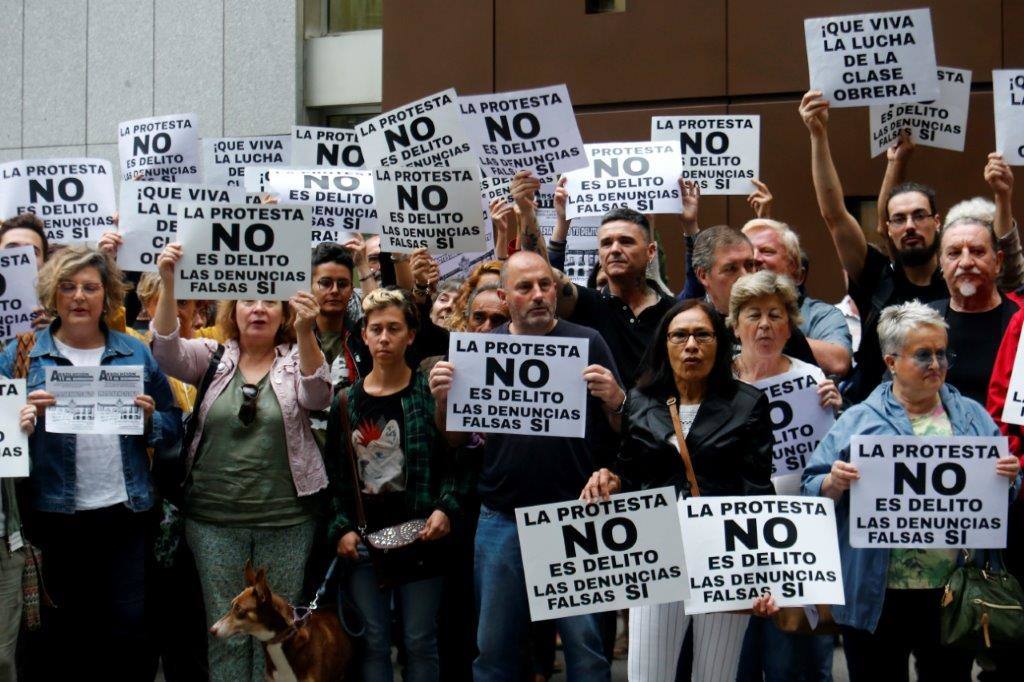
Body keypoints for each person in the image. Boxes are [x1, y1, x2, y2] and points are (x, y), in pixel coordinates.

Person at [430, 250, 624, 682]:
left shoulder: (588, 341)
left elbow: (621, 427)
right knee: (494, 652)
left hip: (577, 517)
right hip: (502, 517)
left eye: (545, 285)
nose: (538, 294)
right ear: (505, 295)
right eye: (525, 287)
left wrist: (617, 398)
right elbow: (456, 439)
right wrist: (444, 401)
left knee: (587, 653)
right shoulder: (481, 349)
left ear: (556, 288)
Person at [803, 301, 1020, 682]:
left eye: (942, 353)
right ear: (890, 361)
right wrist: (832, 482)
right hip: (877, 592)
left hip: (950, 591)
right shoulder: (858, 420)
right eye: (923, 355)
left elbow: (1005, 494)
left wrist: (1009, 476)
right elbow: (810, 488)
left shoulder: (971, 416)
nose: (936, 364)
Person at [150, 242, 331, 682]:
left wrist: (307, 332)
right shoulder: (211, 358)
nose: (259, 309)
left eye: (270, 300)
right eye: (249, 299)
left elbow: (318, 394)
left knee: (278, 638)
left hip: (286, 519)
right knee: (228, 633)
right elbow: (164, 351)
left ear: (284, 312)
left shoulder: (296, 359)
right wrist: (170, 282)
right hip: (213, 522)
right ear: (233, 309)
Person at [0, 246, 181, 679]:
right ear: (51, 295)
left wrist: (150, 421)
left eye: (89, 287)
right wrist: (18, 421)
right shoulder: (20, 355)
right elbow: (3, 444)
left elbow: (176, 423)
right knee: (61, 636)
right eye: (67, 287)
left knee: (127, 631)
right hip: (52, 518)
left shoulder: (134, 352)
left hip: (125, 514)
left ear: (107, 297)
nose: (78, 296)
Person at [580, 298, 776, 681]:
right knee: (646, 675)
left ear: (719, 344)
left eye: (702, 335)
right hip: (657, 553)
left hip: (722, 556)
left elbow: (756, 493)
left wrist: (760, 573)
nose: (691, 345)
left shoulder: (748, 404)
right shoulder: (639, 402)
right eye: (680, 335)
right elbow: (632, 476)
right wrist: (610, 478)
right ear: (663, 344)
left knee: (713, 675)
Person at [799, 90, 1024, 403]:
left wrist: (1002, 197)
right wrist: (818, 134)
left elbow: (1006, 262)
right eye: (899, 220)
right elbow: (834, 215)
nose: (910, 226)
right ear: (887, 229)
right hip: (883, 421)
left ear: (937, 222)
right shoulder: (876, 276)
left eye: (919, 216)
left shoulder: (962, 282)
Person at [327, 288, 470, 682]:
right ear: (364, 335)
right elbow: (336, 476)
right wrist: (340, 527)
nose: (385, 337)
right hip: (365, 536)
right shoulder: (345, 401)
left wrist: (446, 506)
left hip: (421, 534)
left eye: (394, 328)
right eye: (377, 329)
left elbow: (457, 460)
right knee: (373, 640)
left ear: (410, 335)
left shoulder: (431, 393)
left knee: (419, 639)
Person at [726, 271, 842, 681]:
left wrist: (837, 412)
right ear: (735, 322)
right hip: (736, 536)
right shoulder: (719, 381)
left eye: (776, 315)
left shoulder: (812, 380)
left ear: (789, 324)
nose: (764, 325)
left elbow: (828, 457)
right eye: (753, 314)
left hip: (799, 535)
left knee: (794, 657)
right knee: (735, 654)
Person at [555, 207, 676, 389]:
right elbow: (542, 278)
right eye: (606, 243)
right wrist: (557, 222)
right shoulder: (585, 305)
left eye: (626, 242)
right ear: (600, 255)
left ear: (650, 252)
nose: (615, 249)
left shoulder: (675, 313)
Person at [742, 219, 853, 376]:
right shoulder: (729, 312)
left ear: (794, 268)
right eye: (749, 252)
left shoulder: (821, 314)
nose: (755, 258)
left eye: (767, 251)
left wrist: (775, 335)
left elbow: (838, 362)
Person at [929, 214, 1018, 404]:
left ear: (998, 262)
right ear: (941, 264)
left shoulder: (1020, 323)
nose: (966, 262)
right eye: (954, 253)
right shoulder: (922, 321)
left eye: (977, 252)